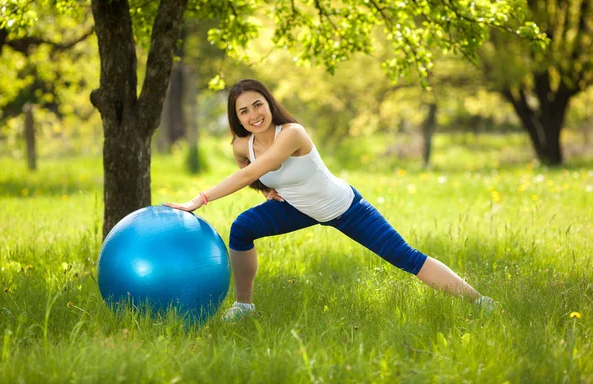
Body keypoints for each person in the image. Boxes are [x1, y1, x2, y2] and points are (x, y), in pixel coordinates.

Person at [163, 78, 494, 321]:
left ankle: (480, 301)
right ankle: (244, 306)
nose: (253, 115)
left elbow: (253, 171)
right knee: (242, 228)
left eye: (258, 105)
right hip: (297, 208)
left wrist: (200, 199)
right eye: (244, 111)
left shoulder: (292, 133)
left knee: (406, 258)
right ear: (237, 117)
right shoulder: (241, 145)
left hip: (344, 208)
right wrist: (266, 192)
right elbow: (251, 172)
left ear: (269, 103)